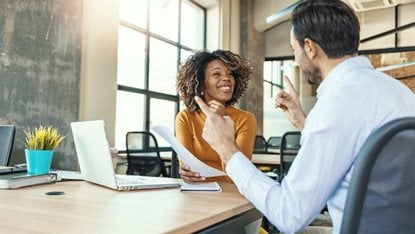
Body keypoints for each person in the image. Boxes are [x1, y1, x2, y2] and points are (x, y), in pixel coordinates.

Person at [194, 0, 415, 233]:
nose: (296, 58)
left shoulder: (337, 103)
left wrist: (226, 148)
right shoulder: (400, 92)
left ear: (309, 47)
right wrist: (305, 123)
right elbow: (357, 145)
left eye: (294, 49)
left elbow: (289, 215)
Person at [175, 49, 257, 183]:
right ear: (202, 84)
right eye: (216, 74)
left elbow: (240, 174)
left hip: (233, 192)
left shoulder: (246, 120)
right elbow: (188, 168)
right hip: (197, 191)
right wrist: (185, 172)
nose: (226, 78)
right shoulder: (185, 118)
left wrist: (221, 121)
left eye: (230, 74)